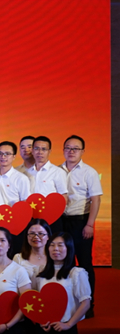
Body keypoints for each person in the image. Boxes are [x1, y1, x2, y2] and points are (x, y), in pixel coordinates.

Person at [60, 135, 102, 318]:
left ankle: (88, 304)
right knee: (64, 263)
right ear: (63, 150)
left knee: (84, 264)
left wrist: (90, 224)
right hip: (61, 221)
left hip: (81, 221)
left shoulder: (89, 172)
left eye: (75, 148)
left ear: (83, 151)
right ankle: (68, 303)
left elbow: (95, 200)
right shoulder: (57, 171)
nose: (71, 151)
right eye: (68, 148)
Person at [27, 136, 69, 234]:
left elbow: (63, 196)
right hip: (31, 218)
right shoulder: (26, 173)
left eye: (44, 149)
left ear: (49, 152)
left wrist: (54, 214)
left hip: (52, 218)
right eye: (37, 148)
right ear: (32, 151)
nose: (40, 152)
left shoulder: (57, 172)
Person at [0, 141, 31, 206]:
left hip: (13, 212)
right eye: (0, 153)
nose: (3, 156)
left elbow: (25, 201)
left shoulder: (21, 178)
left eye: (7, 154)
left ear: (14, 156)